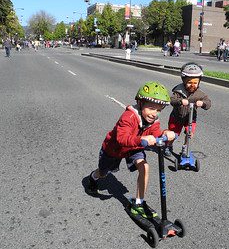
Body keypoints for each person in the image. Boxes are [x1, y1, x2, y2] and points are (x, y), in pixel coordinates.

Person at [86, 81, 176, 218]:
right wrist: (142, 140)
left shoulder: (153, 121)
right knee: (103, 173)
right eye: (151, 108)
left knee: (144, 167)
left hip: (134, 148)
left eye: (158, 110)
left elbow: (156, 133)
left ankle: (138, 203)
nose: (154, 114)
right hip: (114, 149)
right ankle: (93, 177)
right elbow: (121, 138)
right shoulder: (129, 116)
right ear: (140, 104)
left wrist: (165, 134)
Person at [164, 62, 212, 156]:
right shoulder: (178, 91)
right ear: (184, 81)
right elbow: (171, 100)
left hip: (190, 118)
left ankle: (185, 147)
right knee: (173, 134)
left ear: (199, 82)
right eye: (189, 82)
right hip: (176, 117)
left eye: (195, 83)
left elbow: (208, 103)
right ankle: (169, 146)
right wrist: (180, 101)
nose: (192, 85)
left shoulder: (200, 94)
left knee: (189, 134)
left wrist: (203, 103)